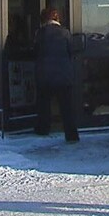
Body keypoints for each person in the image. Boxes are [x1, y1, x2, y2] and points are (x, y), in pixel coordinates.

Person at [34, 8, 79, 143]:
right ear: (57, 18)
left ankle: (43, 129)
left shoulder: (40, 34)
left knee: (44, 105)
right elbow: (71, 51)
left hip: (45, 75)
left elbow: (36, 52)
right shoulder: (65, 33)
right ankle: (71, 135)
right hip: (63, 75)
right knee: (66, 107)